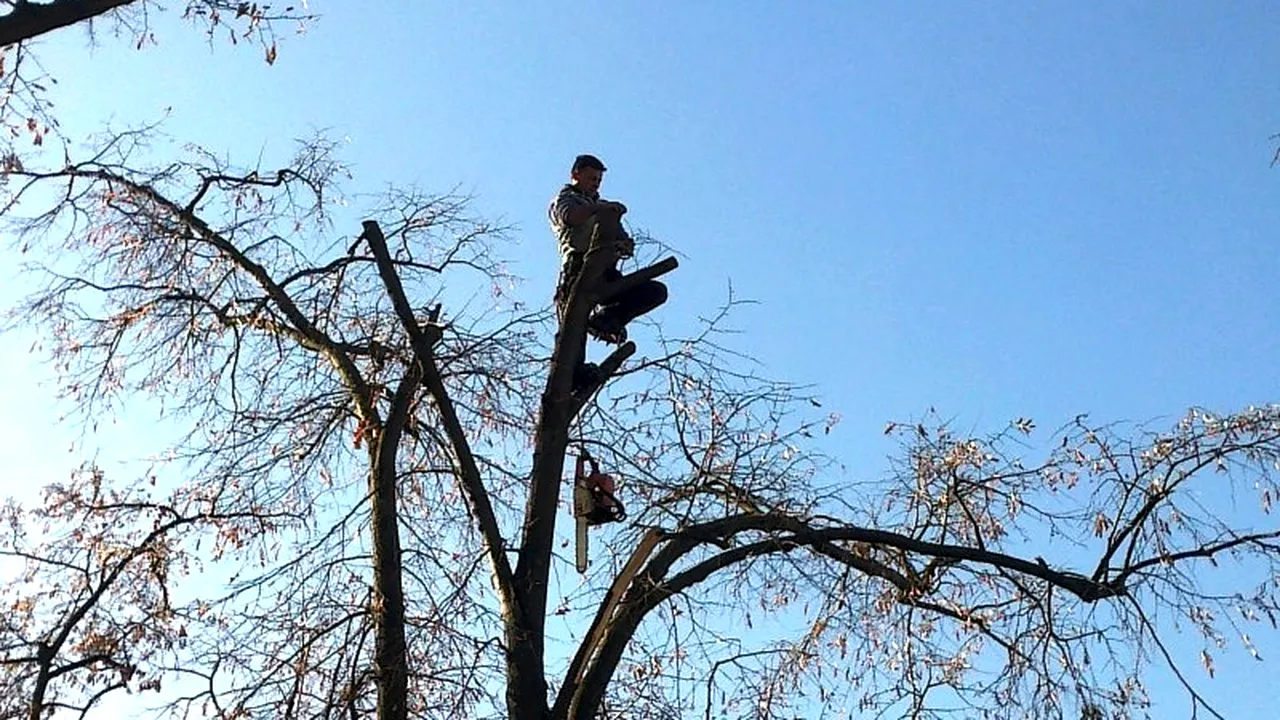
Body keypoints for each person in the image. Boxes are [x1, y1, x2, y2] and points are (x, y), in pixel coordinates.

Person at [548, 154, 667, 385]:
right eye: (591, 178)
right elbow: (570, 217)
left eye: (599, 180)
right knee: (573, 329)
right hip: (577, 271)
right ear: (576, 175)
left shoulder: (604, 210)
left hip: (605, 272)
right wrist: (598, 209)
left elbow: (624, 241)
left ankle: (607, 320)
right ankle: (573, 375)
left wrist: (624, 244)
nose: (595, 183)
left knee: (654, 292)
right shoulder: (566, 199)